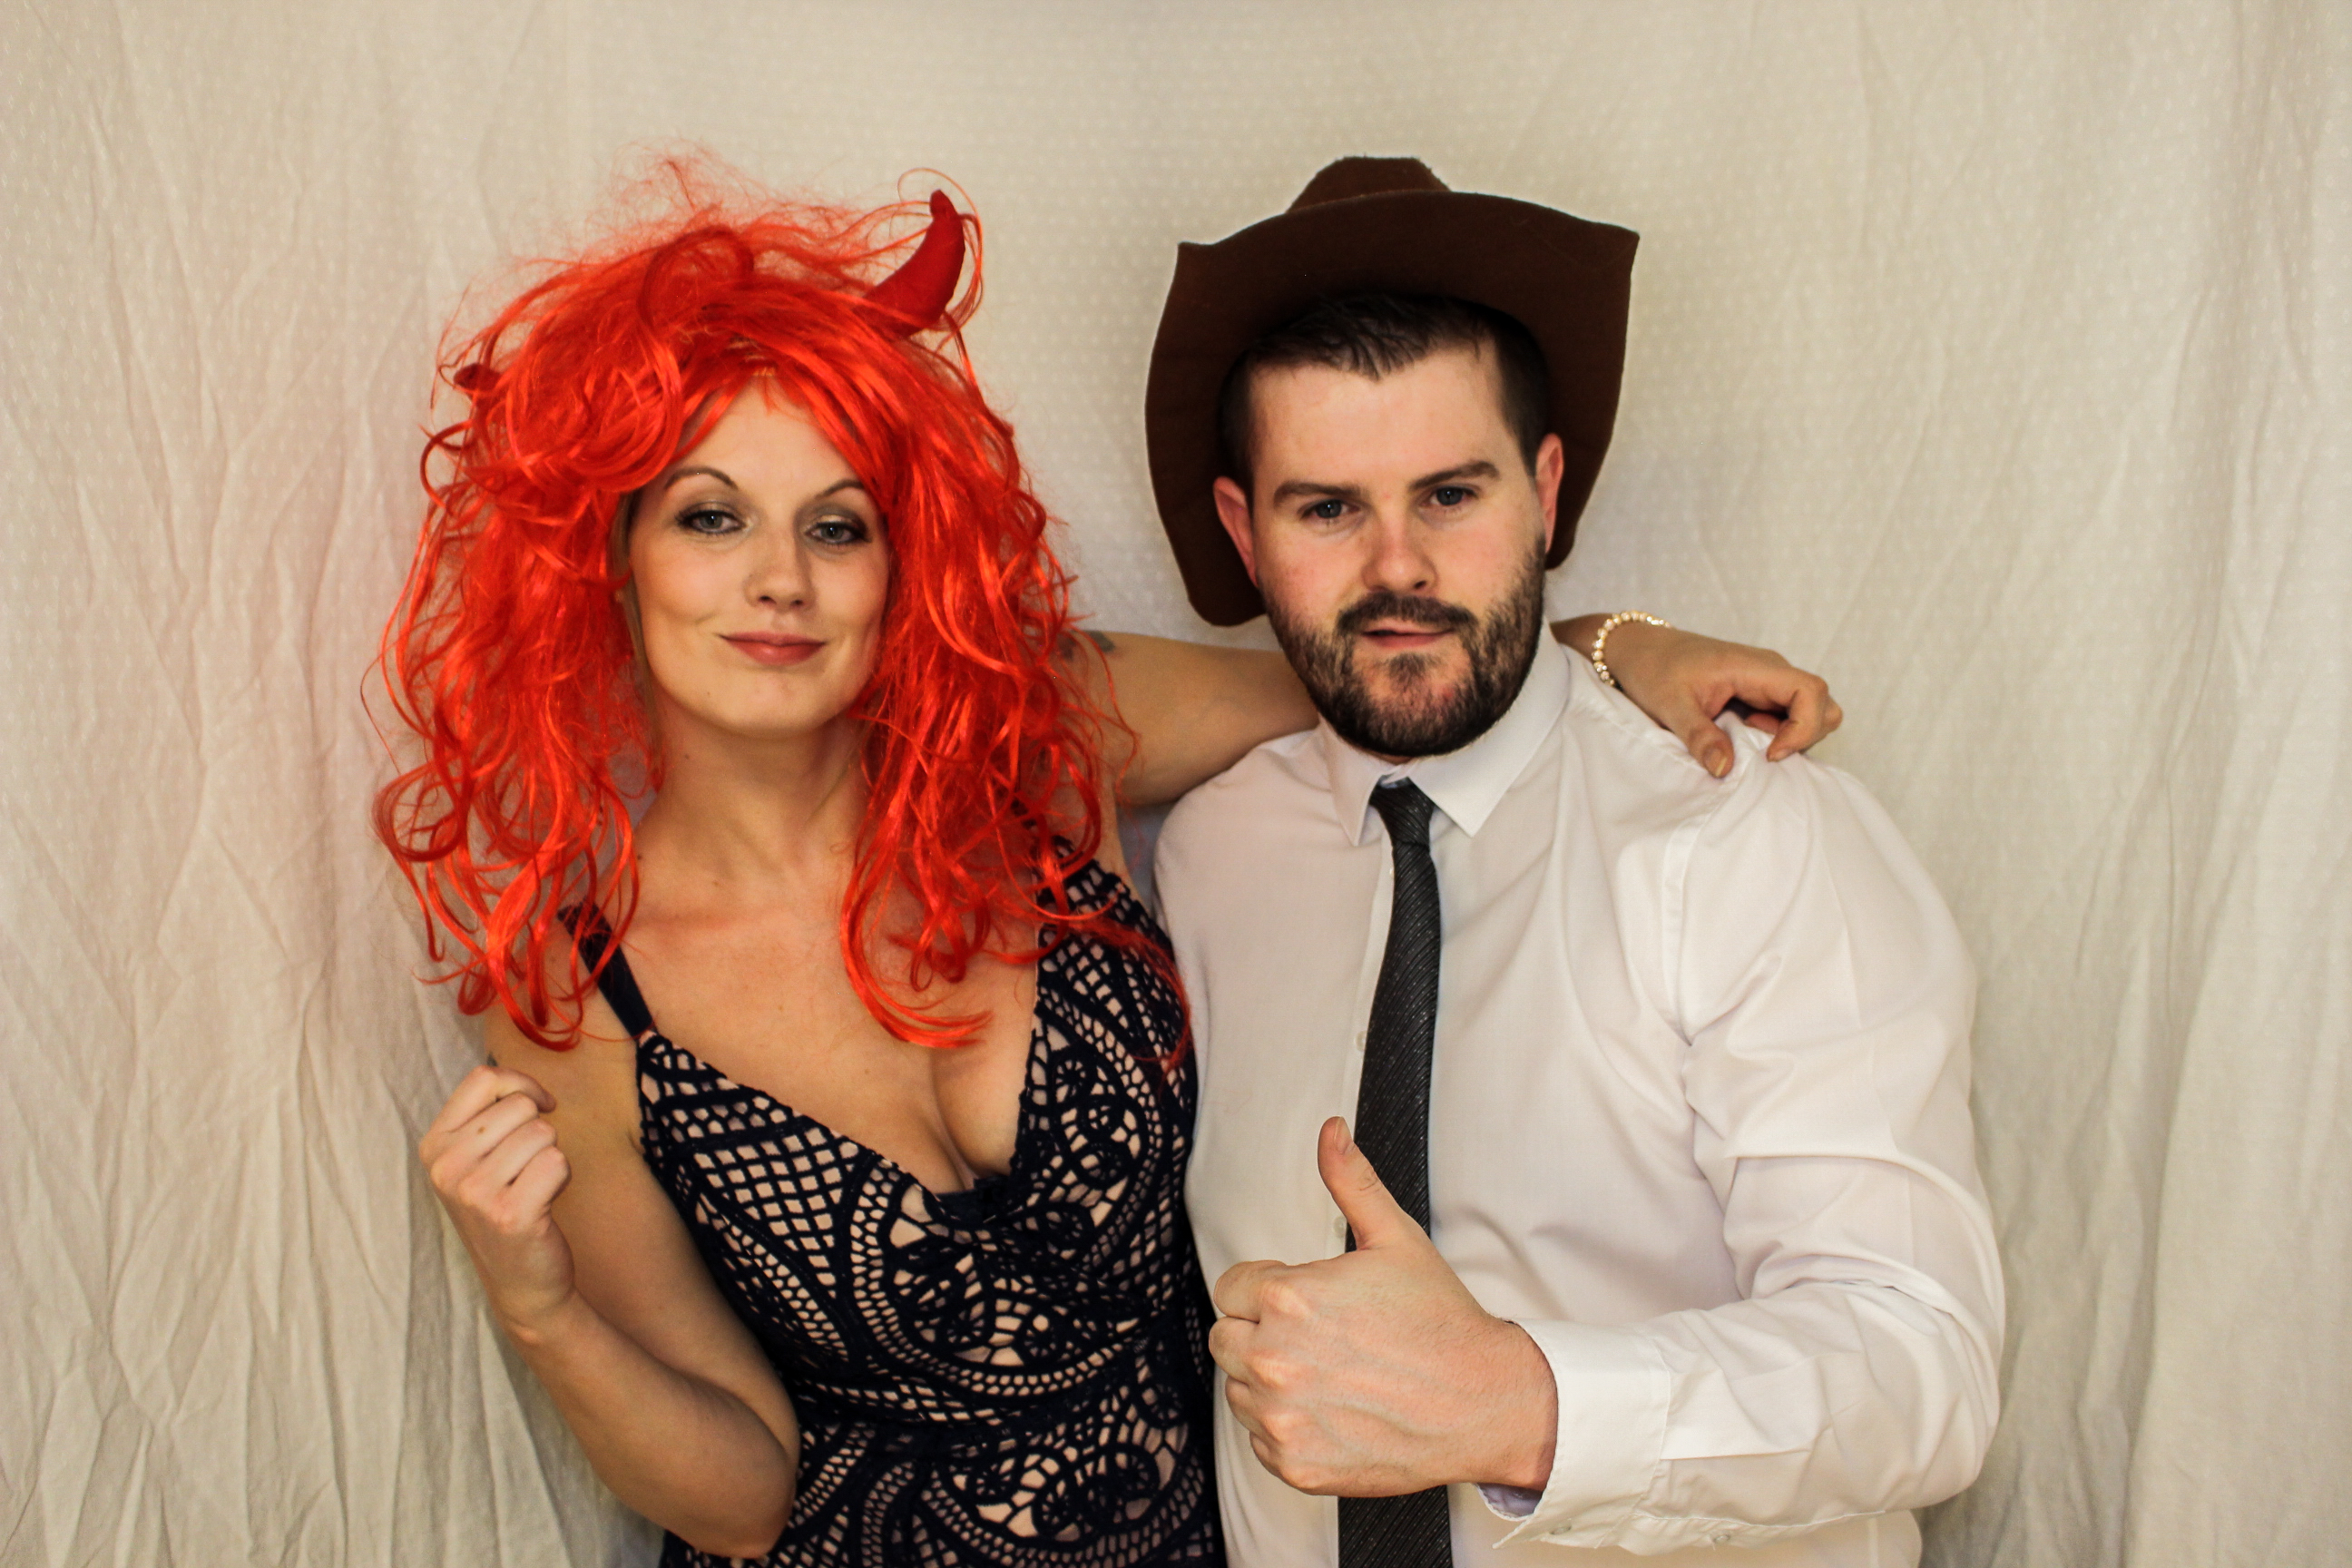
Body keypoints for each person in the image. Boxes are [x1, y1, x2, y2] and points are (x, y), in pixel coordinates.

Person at [380, 168, 1843, 1567]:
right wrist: (541, 1308)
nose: (782, 578)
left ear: (899, 558)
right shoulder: (578, 996)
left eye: (838, 525)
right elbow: (748, 1498)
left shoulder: (1035, 736)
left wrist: (1615, 646)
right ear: (611, 554)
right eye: (712, 517)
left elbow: (1370, 660)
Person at [1150, 158, 2003, 1568]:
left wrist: (1524, 1407)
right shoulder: (1209, 854)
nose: (1398, 568)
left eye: (1451, 494)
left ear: (1545, 491)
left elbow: (1924, 1369)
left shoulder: (1748, 836)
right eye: (1327, 510)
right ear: (1246, 531)